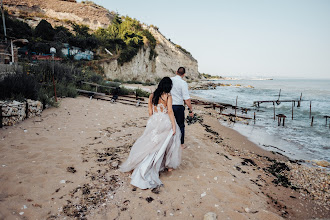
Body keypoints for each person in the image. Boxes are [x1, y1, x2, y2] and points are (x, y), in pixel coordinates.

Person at [119, 77, 182, 189]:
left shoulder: (152, 95)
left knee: (151, 143)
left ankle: (145, 162)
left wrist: (153, 121)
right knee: (166, 143)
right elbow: (170, 111)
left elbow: (150, 111)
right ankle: (166, 166)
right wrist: (173, 126)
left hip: (154, 120)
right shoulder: (168, 96)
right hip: (165, 120)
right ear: (169, 86)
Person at [170, 67, 194, 149]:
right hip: (178, 106)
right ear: (183, 74)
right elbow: (186, 98)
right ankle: (181, 144)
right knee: (180, 125)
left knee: (170, 124)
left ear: (176, 72)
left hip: (169, 105)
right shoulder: (183, 83)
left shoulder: (170, 80)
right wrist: (191, 109)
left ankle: (169, 142)